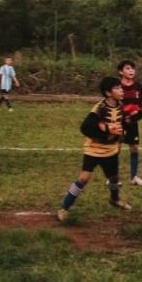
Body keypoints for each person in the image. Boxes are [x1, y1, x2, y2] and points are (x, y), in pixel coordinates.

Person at [57, 77, 132, 222]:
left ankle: (114, 200)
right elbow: (85, 128)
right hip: (93, 150)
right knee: (83, 179)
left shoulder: (121, 106)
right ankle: (64, 208)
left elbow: (122, 124)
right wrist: (107, 130)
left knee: (114, 179)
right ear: (108, 93)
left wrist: (125, 128)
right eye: (117, 88)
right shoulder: (99, 108)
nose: (121, 90)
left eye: (121, 88)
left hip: (111, 150)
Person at [118, 60, 142, 186]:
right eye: (127, 68)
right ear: (121, 72)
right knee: (117, 148)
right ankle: (112, 177)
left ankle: (134, 177)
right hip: (119, 120)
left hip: (132, 121)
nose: (131, 71)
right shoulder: (117, 86)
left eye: (132, 68)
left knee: (134, 148)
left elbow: (141, 104)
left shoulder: (138, 86)